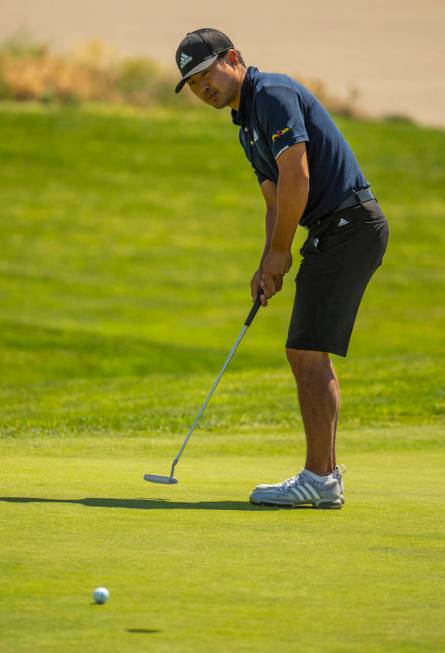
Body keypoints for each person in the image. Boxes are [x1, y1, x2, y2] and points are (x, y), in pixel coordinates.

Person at [174, 28, 389, 509]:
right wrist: (268, 260)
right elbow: (273, 197)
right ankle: (325, 477)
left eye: (204, 73)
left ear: (232, 58)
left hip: (349, 224)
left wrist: (281, 251)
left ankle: (320, 477)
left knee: (306, 351)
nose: (201, 87)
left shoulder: (272, 93)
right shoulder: (245, 121)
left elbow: (298, 173)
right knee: (307, 351)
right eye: (191, 83)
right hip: (331, 230)